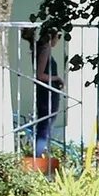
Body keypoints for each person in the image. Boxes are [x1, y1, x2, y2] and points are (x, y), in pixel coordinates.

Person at [32, 30, 64, 158]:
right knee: (45, 126)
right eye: (58, 37)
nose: (58, 40)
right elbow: (40, 75)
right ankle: (39, 156)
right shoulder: (45, 50)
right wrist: (57, 78)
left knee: (45, 126)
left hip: (47, 92)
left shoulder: (41, 49)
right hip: (47, 93)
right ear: (52, 36)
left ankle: (41, 154)